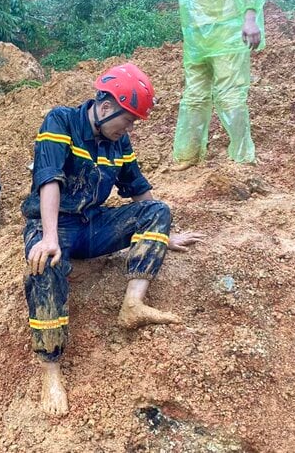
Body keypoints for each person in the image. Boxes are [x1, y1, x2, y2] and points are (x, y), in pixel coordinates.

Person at [21, 63, 204, 415]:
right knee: (45, 266)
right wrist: (47, 237)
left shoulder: (119, 143)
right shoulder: (61, 121)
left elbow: (137, 189)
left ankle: (133, 305)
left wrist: (164, 233)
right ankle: (51, 371)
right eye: (129, 119)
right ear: (106, 107)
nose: (130, 127)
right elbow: (49, 180)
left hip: (93, 225)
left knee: (158, 211)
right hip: (55, 224)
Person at [172, 0, 266, 170]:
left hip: (226, 35)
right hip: (197, 41)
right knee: (194, 97)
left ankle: (242, 156)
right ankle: (188, 155)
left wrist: (249, 18)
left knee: (229, 96)